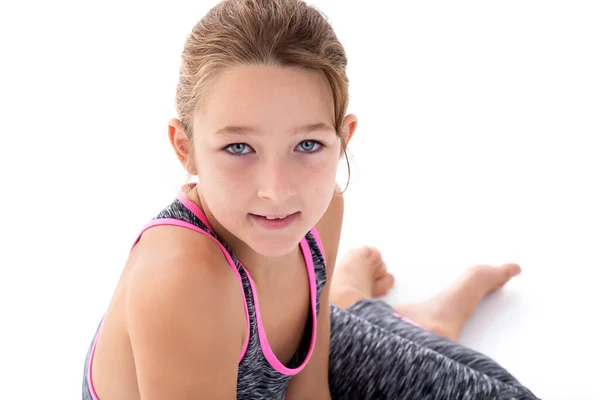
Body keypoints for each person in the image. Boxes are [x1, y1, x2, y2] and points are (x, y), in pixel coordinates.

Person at [82, 0, 539, 398]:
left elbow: (309, 391)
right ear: (185, 147)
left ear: (343, 139)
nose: (277, 191)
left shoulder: (322, 214)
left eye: (307, 146)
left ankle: (367, 307)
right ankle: (371, 308)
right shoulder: (183, 280)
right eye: (239, 148)